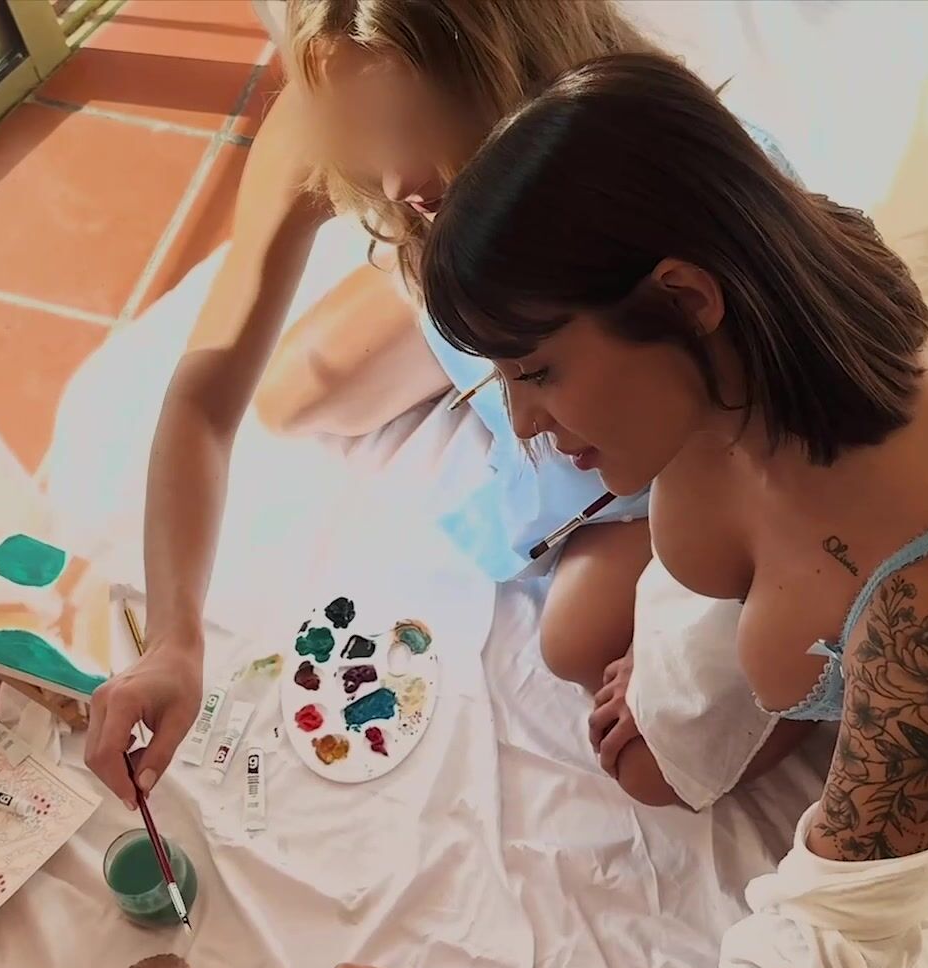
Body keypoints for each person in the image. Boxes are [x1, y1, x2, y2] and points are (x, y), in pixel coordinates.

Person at [259, 53, 928, 968]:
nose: (527, 425)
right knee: (618, 706)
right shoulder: (765, 296)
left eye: (538, 370)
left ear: (685, 300)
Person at [86, 0, 798, 808]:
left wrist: (686, 614)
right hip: (509, 309)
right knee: (289, 397)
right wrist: (173, 643)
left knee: (582, 652)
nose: (393, 185)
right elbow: (207, 397)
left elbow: (767, 418)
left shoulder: (637, 167)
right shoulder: (353, 114)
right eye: (362, 144)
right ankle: (511, 352)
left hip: (675, 437)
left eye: (421, 136)